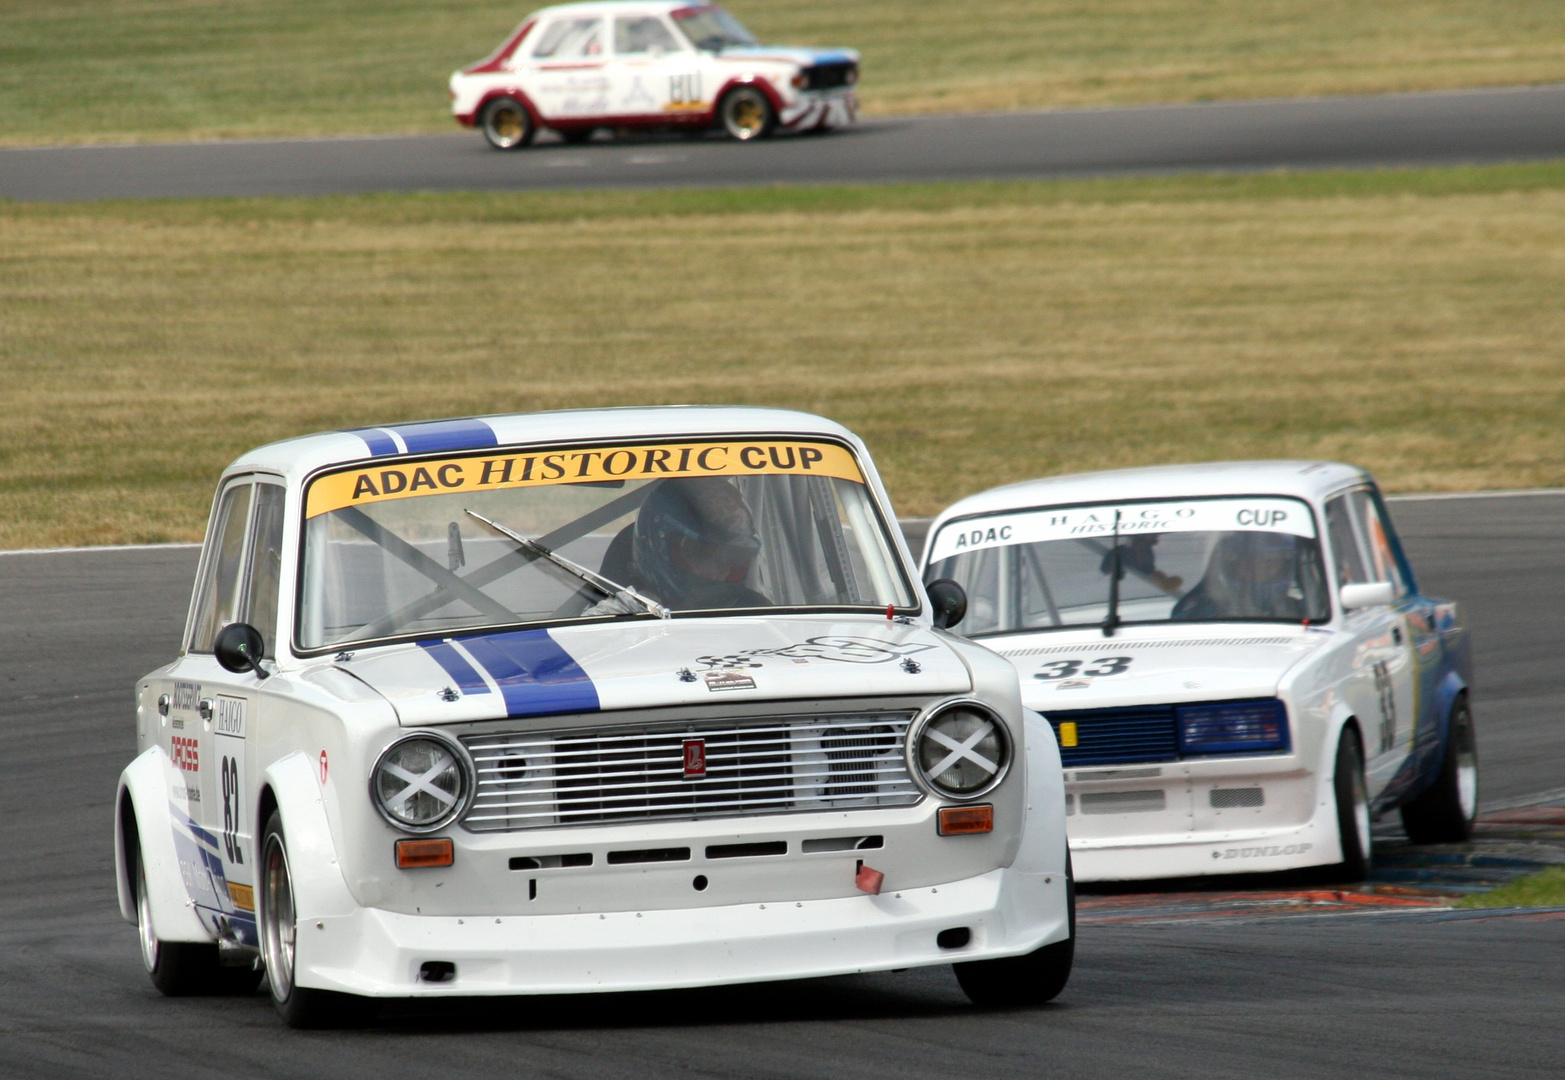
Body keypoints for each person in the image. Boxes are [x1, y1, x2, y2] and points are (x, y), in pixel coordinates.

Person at [1171, 531, 1304, 620]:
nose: (1269, 567)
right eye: (1245, 561)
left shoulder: (1308, 613)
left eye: (1274, 560)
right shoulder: (1195, 617)